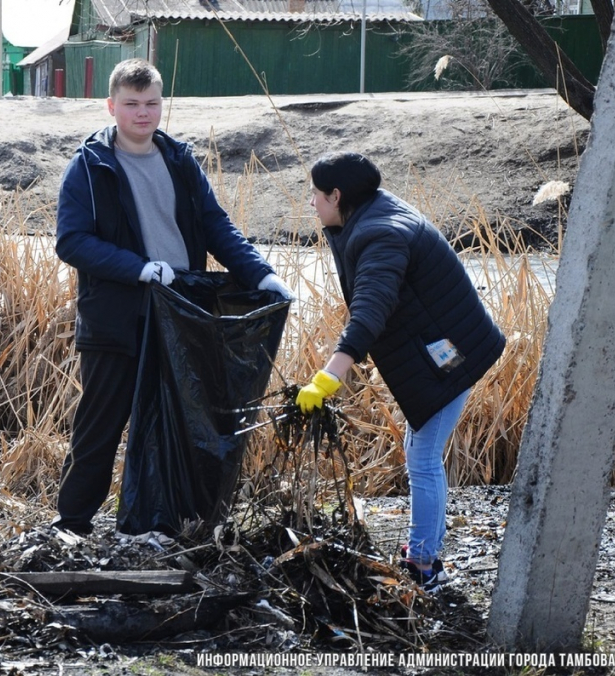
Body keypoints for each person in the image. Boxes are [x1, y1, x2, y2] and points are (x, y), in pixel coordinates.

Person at [54, 58, 293, 535]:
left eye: (151, 103)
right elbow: (72, 242)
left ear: (162, 104)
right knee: (100, 428)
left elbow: (215, 225)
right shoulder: (89, 167)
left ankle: (167, 525)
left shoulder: (180, 160)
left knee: (178, 427)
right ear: (111, 106)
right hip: (116, 322)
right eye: (132, 104)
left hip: (181, 318)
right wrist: (140, 269)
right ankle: (72, 524)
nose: (143, 114)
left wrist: (261, 275)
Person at [297, 151, 505, 592]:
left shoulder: (380, 235)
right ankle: (424, 555)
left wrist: (328, 376)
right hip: (445, 346)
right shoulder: (368, 211)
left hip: (450, 353)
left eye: (315, 194)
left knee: (423, 457)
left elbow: (371, 310)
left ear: (337, 195)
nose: (310, 203)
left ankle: (424, 565)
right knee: (421, 450)